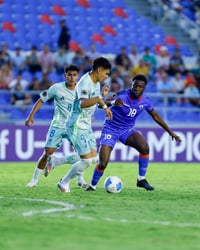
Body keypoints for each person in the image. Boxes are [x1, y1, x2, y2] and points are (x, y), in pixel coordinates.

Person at [85, 74, 182, 192]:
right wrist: (113, 103)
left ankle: (141, 179)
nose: (137, 88)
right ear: (131, 85)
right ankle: (92, 186)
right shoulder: (122, 95)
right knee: (103, 163)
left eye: (140, 86)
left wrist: (170, 132)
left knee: (145, 148)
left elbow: (156, 116)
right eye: (135, 85)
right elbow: (101, 104)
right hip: (111, 129)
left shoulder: (146, 101)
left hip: (127, 129)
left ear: (144, 88)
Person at [57, 57, 112, 193]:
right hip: (76, 124)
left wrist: (104, 104)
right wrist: (100, 99)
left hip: (86, 126)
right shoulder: (84, 82)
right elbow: (83, 103)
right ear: (99, 70)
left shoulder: (96, 83)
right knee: (86, 160)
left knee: (93, 158)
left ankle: (56, 161)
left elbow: (94, 100)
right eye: (106, 73)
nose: (106, 76)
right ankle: (64, 183)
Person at [25, 64, 86, 188]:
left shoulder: (82, 90)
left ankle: (80, 178)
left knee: (83, 155)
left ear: (78, 76)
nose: (72, 77)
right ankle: (34, 181)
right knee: (47, 153)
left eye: (74, 75)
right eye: (69, 75)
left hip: (74, 126)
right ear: (65, 75)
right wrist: (31, 115)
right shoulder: (56, 88)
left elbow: (88, 105)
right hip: (58, 125)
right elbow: (41, 100)